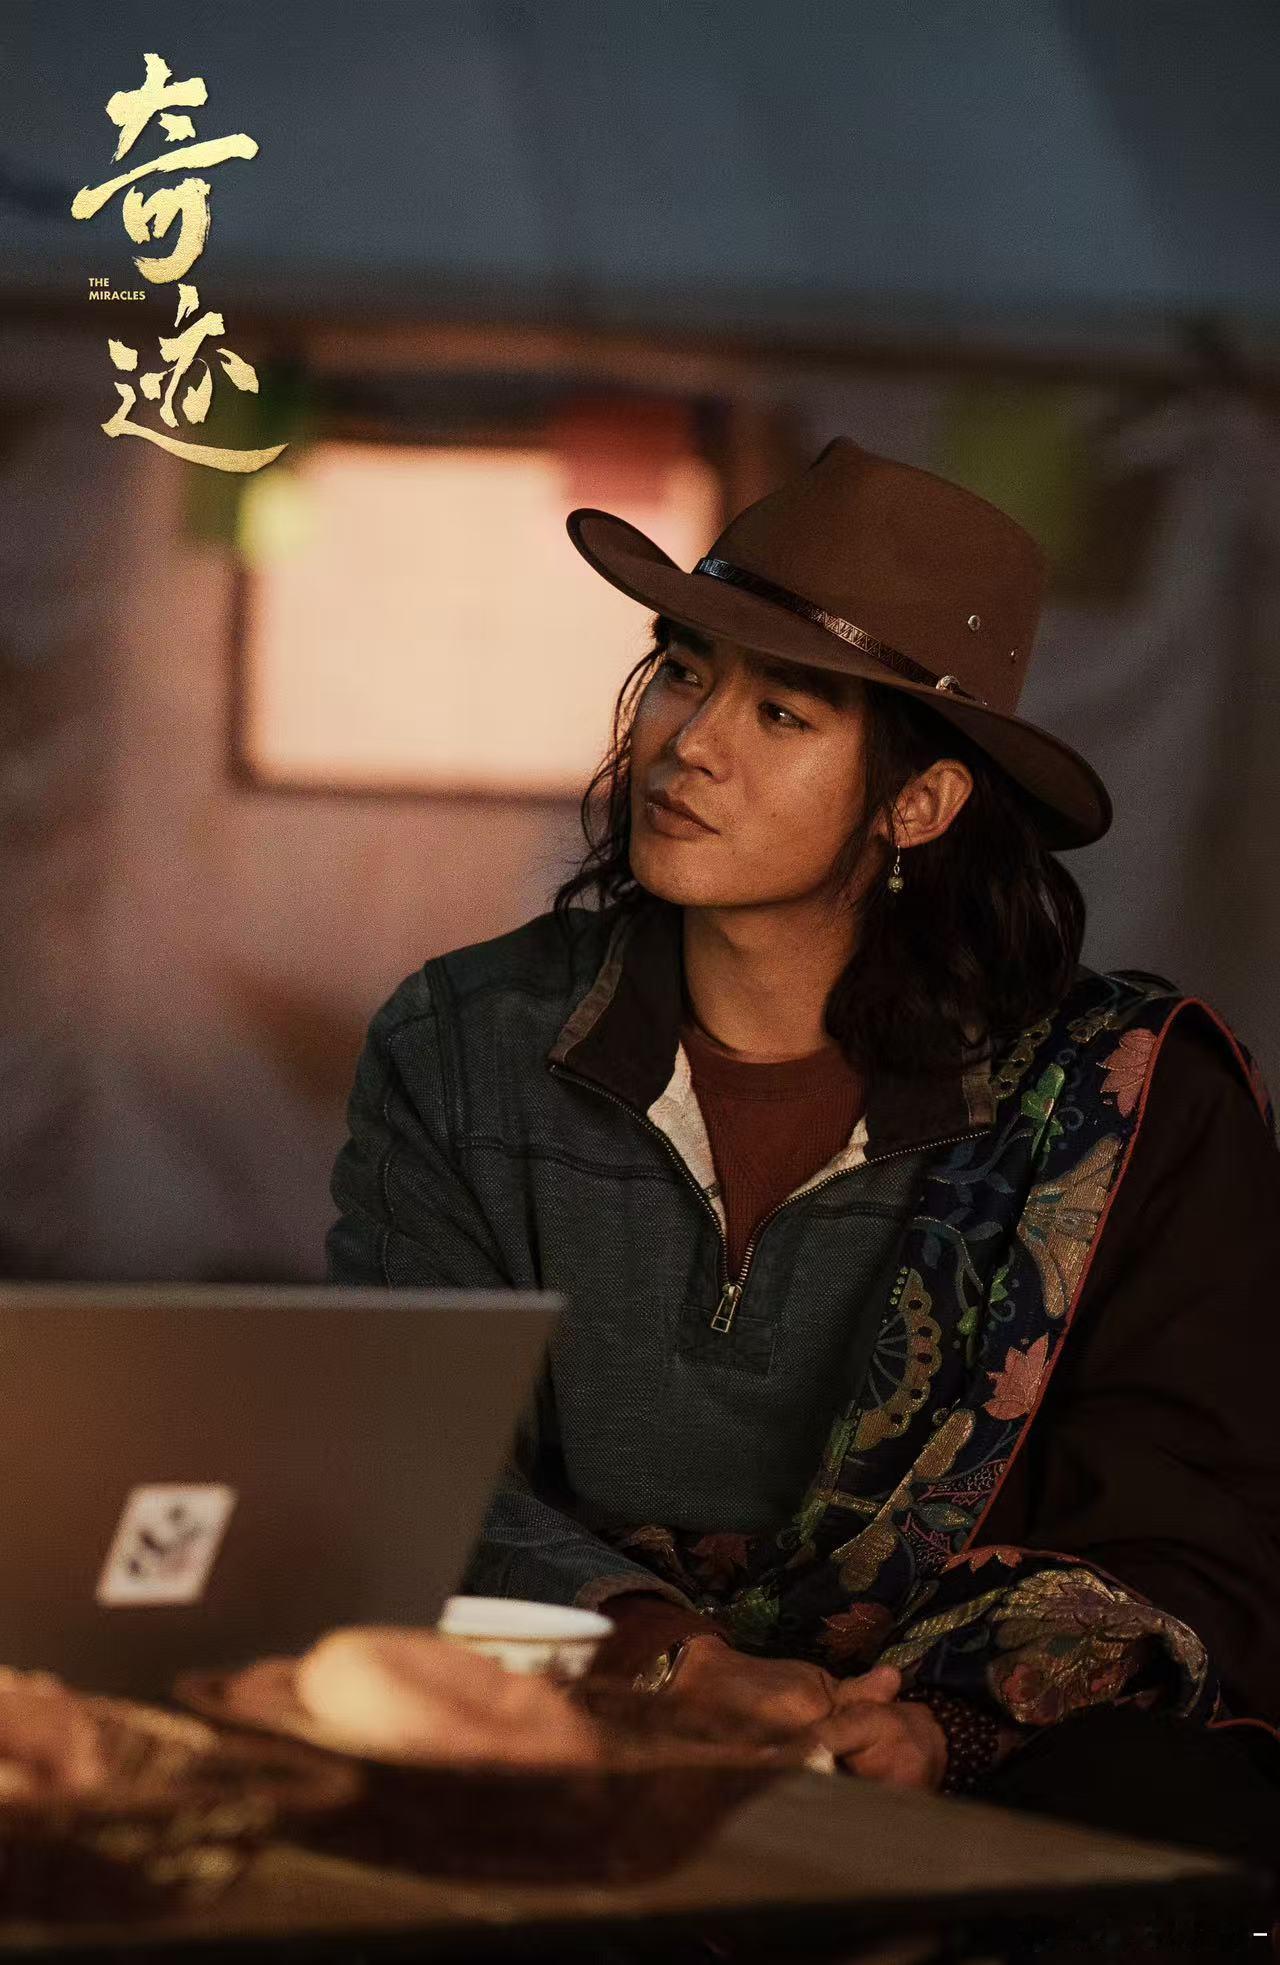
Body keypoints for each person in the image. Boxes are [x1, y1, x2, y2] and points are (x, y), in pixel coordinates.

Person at [326, 437, 1280, 1879]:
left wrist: (940, 1730)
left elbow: (1194, 1534)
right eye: (683, 671)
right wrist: (666, 1659)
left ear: (921, 804)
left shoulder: (1127, 1105)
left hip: (959, 1786)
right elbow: (406, 1449)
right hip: (558, 1740)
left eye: (782, 711)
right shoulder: (465, 1043)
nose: (689, 742)